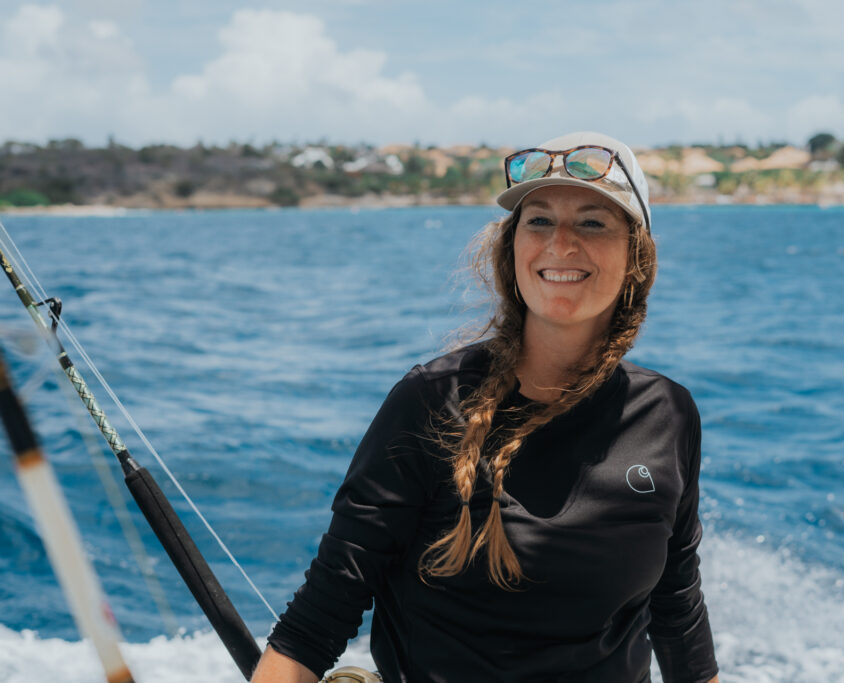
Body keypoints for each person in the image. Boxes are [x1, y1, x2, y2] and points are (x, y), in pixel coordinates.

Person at [252, 132, 719, 683]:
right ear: (512, 246)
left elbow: (677, 606)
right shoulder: (431, 401)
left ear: (637, 257)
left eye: (592, 223)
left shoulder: (668, 414)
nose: (561, 244)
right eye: (539, 221)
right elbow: (321, 614)